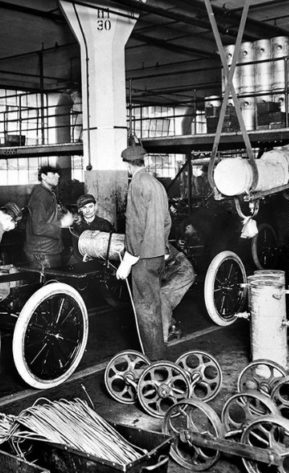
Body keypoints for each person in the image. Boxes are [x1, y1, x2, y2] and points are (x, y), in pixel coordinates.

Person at [116, 143, 172, 360]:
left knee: (145, 309)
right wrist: (163, 247)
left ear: (128, 166)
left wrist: (128, 259)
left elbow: (134, 224)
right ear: (143, 161)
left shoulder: (137, 184)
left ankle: (155, 362)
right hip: (158, 255)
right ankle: (159, 354)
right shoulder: (157, 184)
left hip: (143, 258)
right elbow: (167, 221)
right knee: (154, 304)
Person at [24, 165, 74, 269]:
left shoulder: (48, 193)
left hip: (48, 249)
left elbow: (48, 214)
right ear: (43, 176)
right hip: (42, 252)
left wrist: (64, 216)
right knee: (50, 283)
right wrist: (62, 223)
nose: (58, 176)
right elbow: (38, 227)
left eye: (58, 173)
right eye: (53, 173)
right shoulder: (41, 196)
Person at [160, 243, 196, 343]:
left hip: (183, 270)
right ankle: (174, 328)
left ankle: (163, 337)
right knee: (158, 297)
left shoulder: (155, 239)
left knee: (162, 295)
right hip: (171, 271)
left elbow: (163, 257)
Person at [69, 193, 114, 265]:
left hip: (101, 264)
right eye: (84, 207)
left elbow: (112, 248)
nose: (88, 210)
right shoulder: (76, 226)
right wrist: (82, 261)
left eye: (90, 206)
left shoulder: (105, 225)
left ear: (95, 207)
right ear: (80, 210)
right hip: (81, 263)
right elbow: (74, 249)